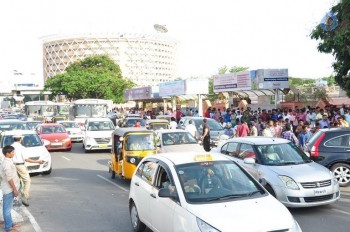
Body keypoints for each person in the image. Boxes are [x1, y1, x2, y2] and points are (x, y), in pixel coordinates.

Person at [11, 134, 44, 207]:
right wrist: (38, 161)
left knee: (16, 182)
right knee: (27, 181)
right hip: (20, 165)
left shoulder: (11, 146)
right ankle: (24, 196)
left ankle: (15, 198)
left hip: (12, 166)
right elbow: (26, 159)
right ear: (20, 139)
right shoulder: (21, 147)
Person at [1, 145, 21, 232]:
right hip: (9, 189)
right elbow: (9, 178)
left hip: (10, 188)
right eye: (12, 152)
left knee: (8, 208)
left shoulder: (8, 161)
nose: (14, 153)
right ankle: (8, 228)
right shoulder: (6, 163)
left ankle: (10, 224)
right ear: (7, 153)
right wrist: (14, 189)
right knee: (7, 209)